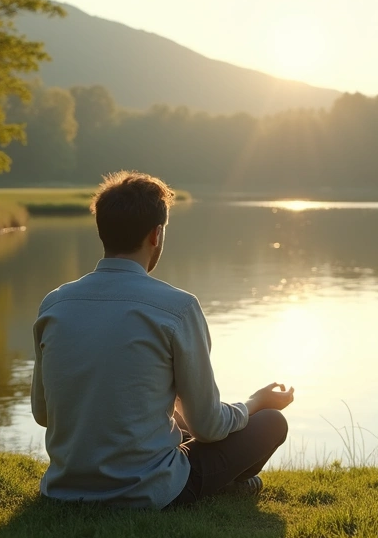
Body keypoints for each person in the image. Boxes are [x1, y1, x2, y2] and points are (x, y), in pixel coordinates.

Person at [30, 171, 294, 509]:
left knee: (181, 424)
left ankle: (229, 480)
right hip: (145, 491)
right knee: (271, 423)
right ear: (156, 235)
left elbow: (43, 413)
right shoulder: (177, 307)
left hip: (63, 488)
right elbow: (209, 427)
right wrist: (256, 402)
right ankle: (231, 482)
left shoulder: (55, 303)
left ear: (103, 232)